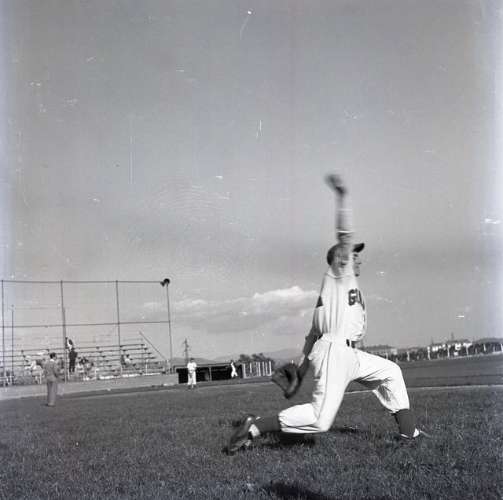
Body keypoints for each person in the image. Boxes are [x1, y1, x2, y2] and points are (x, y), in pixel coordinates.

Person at [226, 173, 429, 454]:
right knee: (320, 420)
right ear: (339, 260)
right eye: (353, 255)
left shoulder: (333, 297)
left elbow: (311, 338)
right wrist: (342, 198)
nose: (357, 258)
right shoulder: (339, 275)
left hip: (346, 353)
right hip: (335, 352)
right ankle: (254, 427)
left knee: (391, 372)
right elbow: (344, 237)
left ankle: (409, 434)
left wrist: (300, 371)